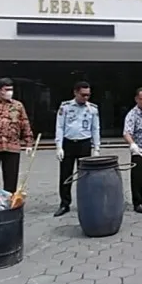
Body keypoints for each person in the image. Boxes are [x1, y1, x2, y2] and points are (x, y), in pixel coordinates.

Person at [53, 81, 101, 217]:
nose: (86, 98)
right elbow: (60, 127)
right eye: (83, 95)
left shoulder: (92, 109)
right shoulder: (66, 107)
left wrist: (96, 148)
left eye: (88, 95)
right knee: (66, 175)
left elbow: (96, 129)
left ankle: (85, 203)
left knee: (85, 176)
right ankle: (64, 204)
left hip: (84, 144)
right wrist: (59, 146)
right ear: (75, 93)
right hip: (69, 143)